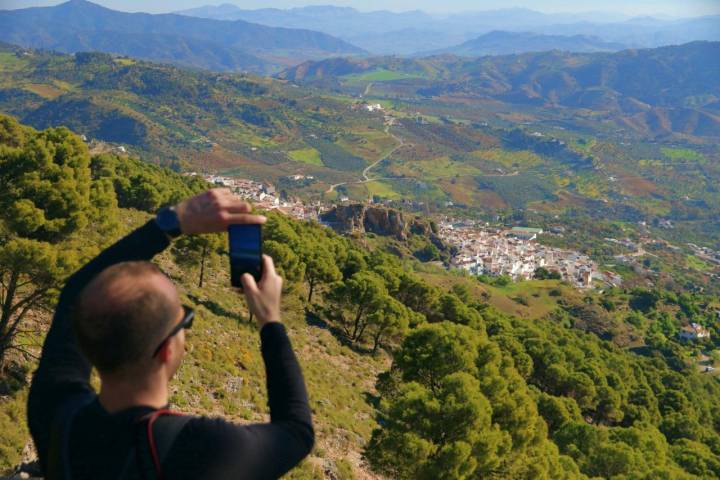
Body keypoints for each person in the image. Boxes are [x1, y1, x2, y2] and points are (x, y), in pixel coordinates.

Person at [27, 189, 314, 480]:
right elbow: (298, 431)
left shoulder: (57, 415)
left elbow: (76, 292)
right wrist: (270, 319)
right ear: (166, 350)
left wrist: (169, 225)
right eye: (184, 318)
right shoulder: (202, 449)